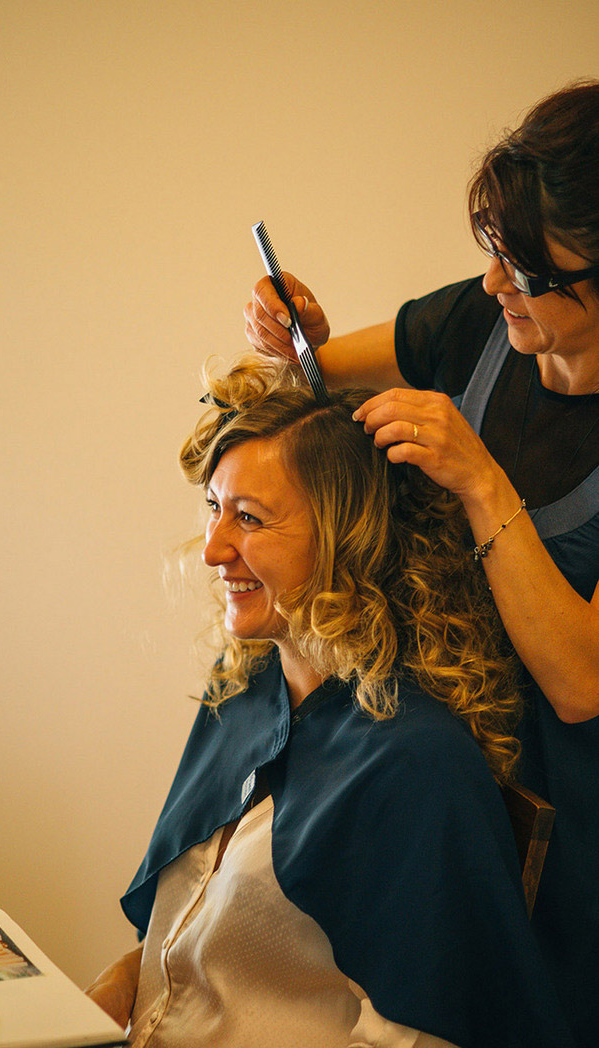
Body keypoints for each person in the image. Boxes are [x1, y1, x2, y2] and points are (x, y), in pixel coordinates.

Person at [244, 80, 599, 1047]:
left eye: (526, 270)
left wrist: (484, 483)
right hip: (438, 778)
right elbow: (313, 380)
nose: (493, 286)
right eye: (492, 252)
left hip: (572, 823)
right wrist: (296, 335)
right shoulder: (479, 326)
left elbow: (580, 679)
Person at [86, 355, 575, 1048]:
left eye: (249, 518)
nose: (213, 549)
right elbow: (201, 934)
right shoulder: (245, 689)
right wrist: (113, 988)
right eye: (214, 510)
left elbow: (423, 1031)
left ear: (349, 536)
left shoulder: (416, 763)